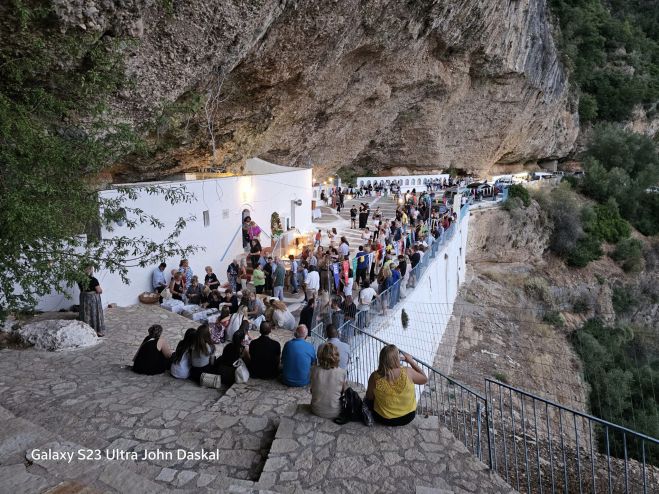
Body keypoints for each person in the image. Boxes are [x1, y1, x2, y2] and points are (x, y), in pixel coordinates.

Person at [365, 345, 428, 426]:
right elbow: (424, 379)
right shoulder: (408, 372)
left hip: (384, 418)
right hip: (408, 417)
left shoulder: (374, 377)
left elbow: (369, 397)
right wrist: (411, 361)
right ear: (397, 358)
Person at [310, 342, 346, 419]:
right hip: (335, 411)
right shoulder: (342, 372)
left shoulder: (314, 370)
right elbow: (342, 392)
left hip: (315, 409)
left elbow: (312, 390)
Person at [77, 266, 106, 336]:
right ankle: (96, 331)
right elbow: (99, 291)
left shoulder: (79, 279)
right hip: (92, 300)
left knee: (85, 314)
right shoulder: (93, 280)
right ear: (90, 270)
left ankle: (85, 330)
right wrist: (101, 291)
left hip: (84, 299)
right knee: (94, 314)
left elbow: (81, 289)